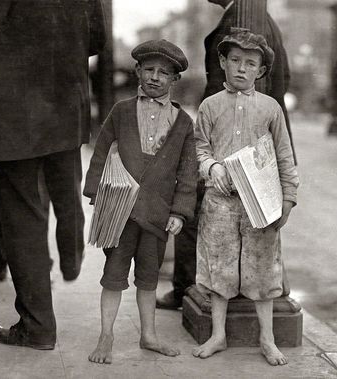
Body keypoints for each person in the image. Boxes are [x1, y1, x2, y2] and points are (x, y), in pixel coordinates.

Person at [0, 0, 106, 350]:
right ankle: (71, 254)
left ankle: (37, 327)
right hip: (66, 104)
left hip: (15, 109)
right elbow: (97, 39)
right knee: (66, 185)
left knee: (23, 217)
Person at [157, 0, 295, 310]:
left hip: (239, 145)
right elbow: (283, 77)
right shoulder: (261, 18)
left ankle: (188, 289)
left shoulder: (244, 15)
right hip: (234, 139)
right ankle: (198, 287)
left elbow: (251, 80)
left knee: (193, 203)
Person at [83, 39, 197, 364]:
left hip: (158, 214)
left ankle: (149, 335)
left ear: (175, 79)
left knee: (148, 278)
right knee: (113, 275)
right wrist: (96, 192)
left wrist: (180, 212)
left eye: (164, 72)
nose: (155, 77)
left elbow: (188, 173)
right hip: (120, 211)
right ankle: (106, 335)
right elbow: (102, 149)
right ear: (137, 71)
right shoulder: (121, 111)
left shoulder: (184, 124)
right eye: (149, 69)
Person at [192, 29, 298, 365]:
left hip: (261, 204)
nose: (241, 69)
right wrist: (211, 167)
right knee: (219, 267)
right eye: (235, 60)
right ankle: (218, 335)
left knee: (262, 269)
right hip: (220, 202)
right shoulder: (210, 106)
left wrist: (288, 199)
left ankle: (267, 339)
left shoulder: (271, 108)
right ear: (222, 62)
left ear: (261, 70)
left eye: (250, 63)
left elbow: (284, 155)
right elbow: (199, 147)